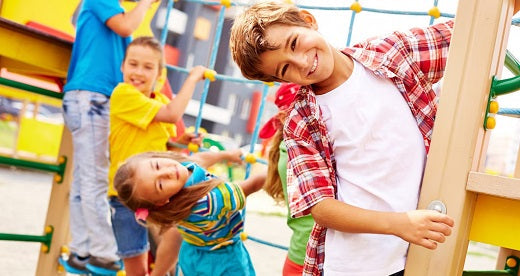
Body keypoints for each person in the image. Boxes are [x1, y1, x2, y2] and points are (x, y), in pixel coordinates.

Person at [230, 2, 460, 275]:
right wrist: (401, 224)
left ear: (308, 20)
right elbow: (321, 207)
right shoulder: (302, 121)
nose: (302, 63)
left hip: (415, 251)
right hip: (357, 263)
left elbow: (468, 36)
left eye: (294, 43)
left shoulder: (392, 55)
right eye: (285, 69)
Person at [61, 0, 159, 272]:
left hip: (86, 97)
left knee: (84, 179)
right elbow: (127, 25)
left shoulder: (106, 8)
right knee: (94, 179)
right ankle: (103, 251)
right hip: (93, 96)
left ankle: (81, 249)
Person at [108, 36, 208, 275]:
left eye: (148, 67)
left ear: (159, 74)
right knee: (136, 264)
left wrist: (180, 142)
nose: (138, 72)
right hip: (127, 197)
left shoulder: (160, 101)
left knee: (170, 253)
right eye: (133, 64)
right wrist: (193, 78)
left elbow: (162, 147)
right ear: (122, 66)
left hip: (157, 195)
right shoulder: (123, 95)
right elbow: (173, 114)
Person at [113, 150, 266, 276]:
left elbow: (199, 158)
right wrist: (282, 163)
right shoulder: (209, 201)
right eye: (160, 184)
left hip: (192, 252)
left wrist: (226, 155)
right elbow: (254, 184)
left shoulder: (175, 194)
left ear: (155, 157)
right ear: (161, 201)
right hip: (223, 259)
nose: (168, 173)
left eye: (157, 165)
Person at [260, 82, 314, 276]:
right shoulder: (294, 151)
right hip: (308, 261)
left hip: (300, 256)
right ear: (285, 117)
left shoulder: (285, 148)